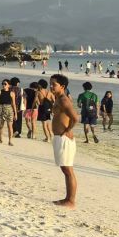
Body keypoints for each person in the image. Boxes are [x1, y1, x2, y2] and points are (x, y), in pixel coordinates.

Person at [48, 74, 79, 208]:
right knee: (65, 169)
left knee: (68, 169)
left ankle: (71, 201)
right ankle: (67, 198)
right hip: (59, 137)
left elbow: (75, 118)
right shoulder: (57, 98)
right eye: (51, 84)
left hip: (64, 138)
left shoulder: (64, 100)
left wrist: (67, 130)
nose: (51, 86)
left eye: (54, 84)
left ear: (63, 86)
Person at [0, 79, 14, 146]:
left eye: (5, 84)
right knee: (1, 126)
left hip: (9, 110)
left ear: (9, 85)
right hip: (0, 109)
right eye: (2, 83)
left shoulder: (12, 93)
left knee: (10, 126)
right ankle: (1, 138)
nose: (3, 85)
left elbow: (13, 104)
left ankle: (10, 141)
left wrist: (16, 113)